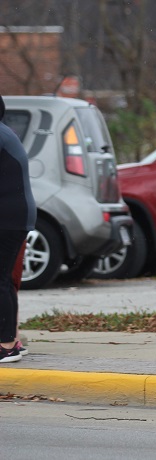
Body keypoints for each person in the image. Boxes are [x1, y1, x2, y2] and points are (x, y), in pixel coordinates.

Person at [0, 93, 36, 364]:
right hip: (15, 216)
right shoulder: (5, 132)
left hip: (8, 218)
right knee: (4, 280)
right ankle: (11, 341)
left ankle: (6, 345)